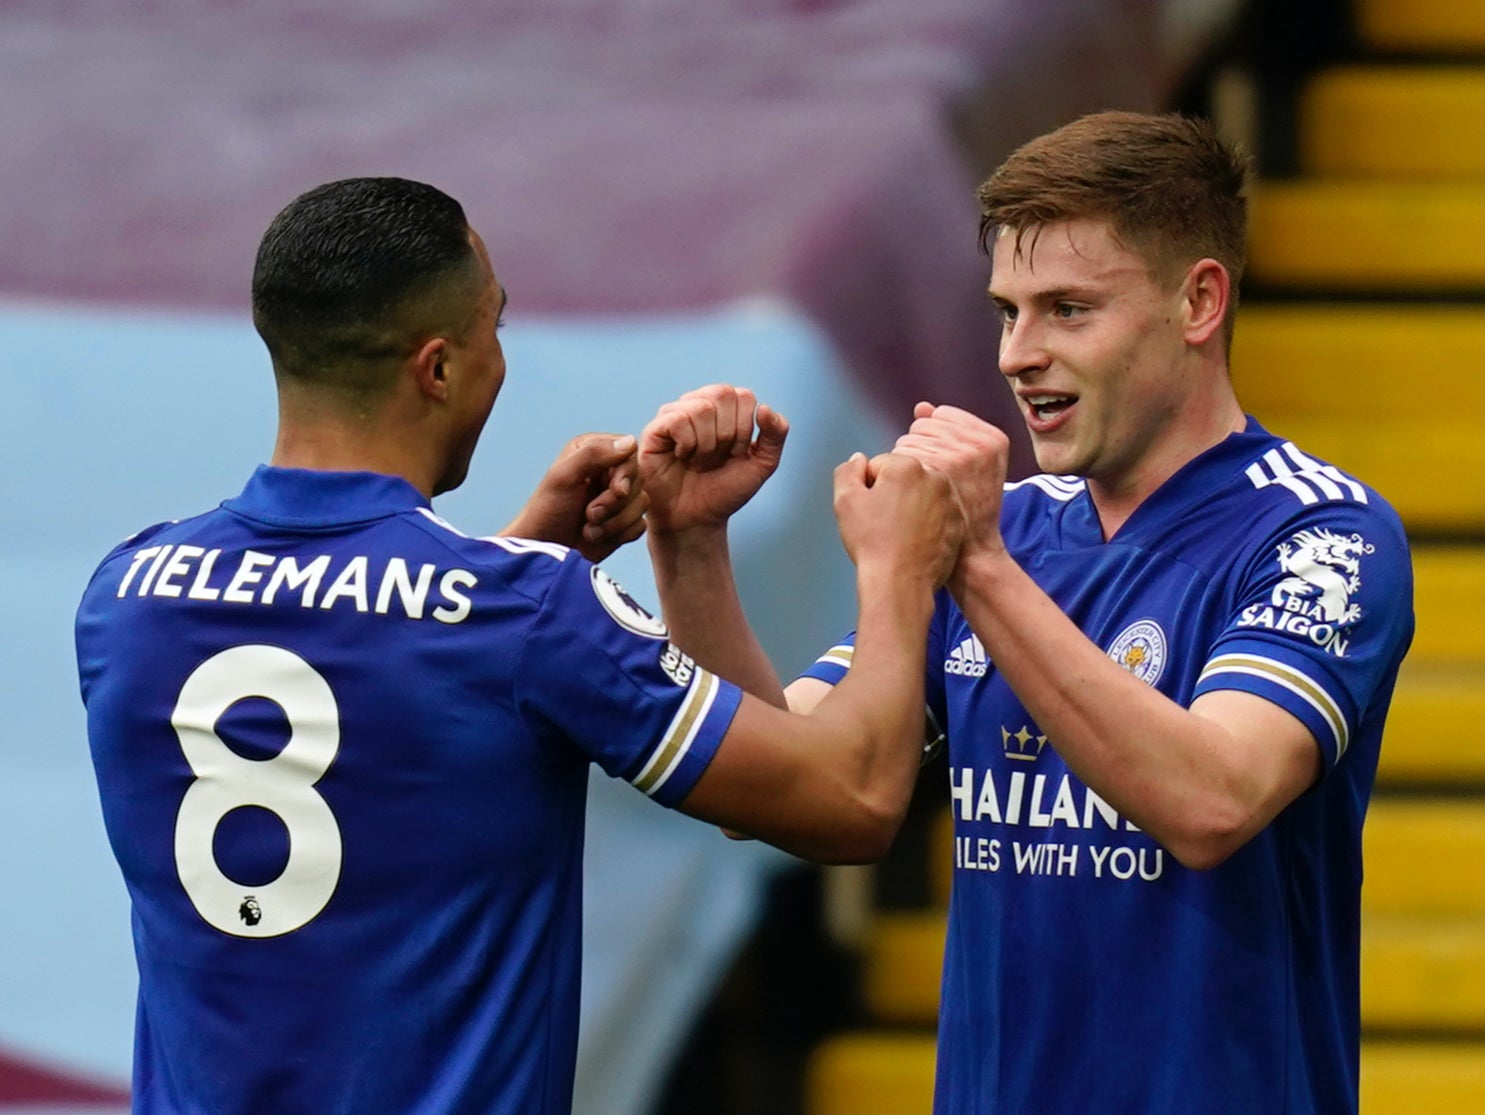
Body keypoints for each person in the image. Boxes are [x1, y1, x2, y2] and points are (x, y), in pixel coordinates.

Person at [73, 176, 963, 1114]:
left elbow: (377, 680)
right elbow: (849, 801)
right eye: (492, 326)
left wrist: (534, 553)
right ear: (439, 368)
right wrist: (898, 565)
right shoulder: (528, 613)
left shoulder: (126, 594)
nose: (501, 357)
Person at [638, 112, 1414, 1113]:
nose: (1017, 353)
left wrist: (979, 565)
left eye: (1068, 310)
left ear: (1199, 302)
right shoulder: (1006, 531)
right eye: (1007, 311)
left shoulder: (1321, 536)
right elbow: (788, 783)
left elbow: (1212, 801)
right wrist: (691, 546)